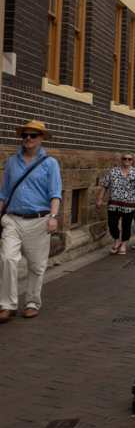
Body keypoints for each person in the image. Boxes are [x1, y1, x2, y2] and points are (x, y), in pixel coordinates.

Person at [0, 120, 62, 322]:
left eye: (33, 135)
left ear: (41, 138)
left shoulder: (50, 163)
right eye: (25, 135)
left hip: (39, 220)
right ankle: (8, 305)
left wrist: (53, 217)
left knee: (36, 265)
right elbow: (5, 192)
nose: (28, 138)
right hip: (13, 219)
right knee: (8, 259)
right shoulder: (12, 162)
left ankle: (32, 302)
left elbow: (55, 193)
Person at [96, 151, 135, 256]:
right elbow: (105, 185)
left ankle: (123, 245)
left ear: (133, 161)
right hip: (114, 203)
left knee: (126, 225)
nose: (127, 160)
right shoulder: (114, 171)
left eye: (129, 159)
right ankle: (116, 241)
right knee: (112, 223)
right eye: (125, 158)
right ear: (121, 160)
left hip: (130, 204)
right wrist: (99, 199)